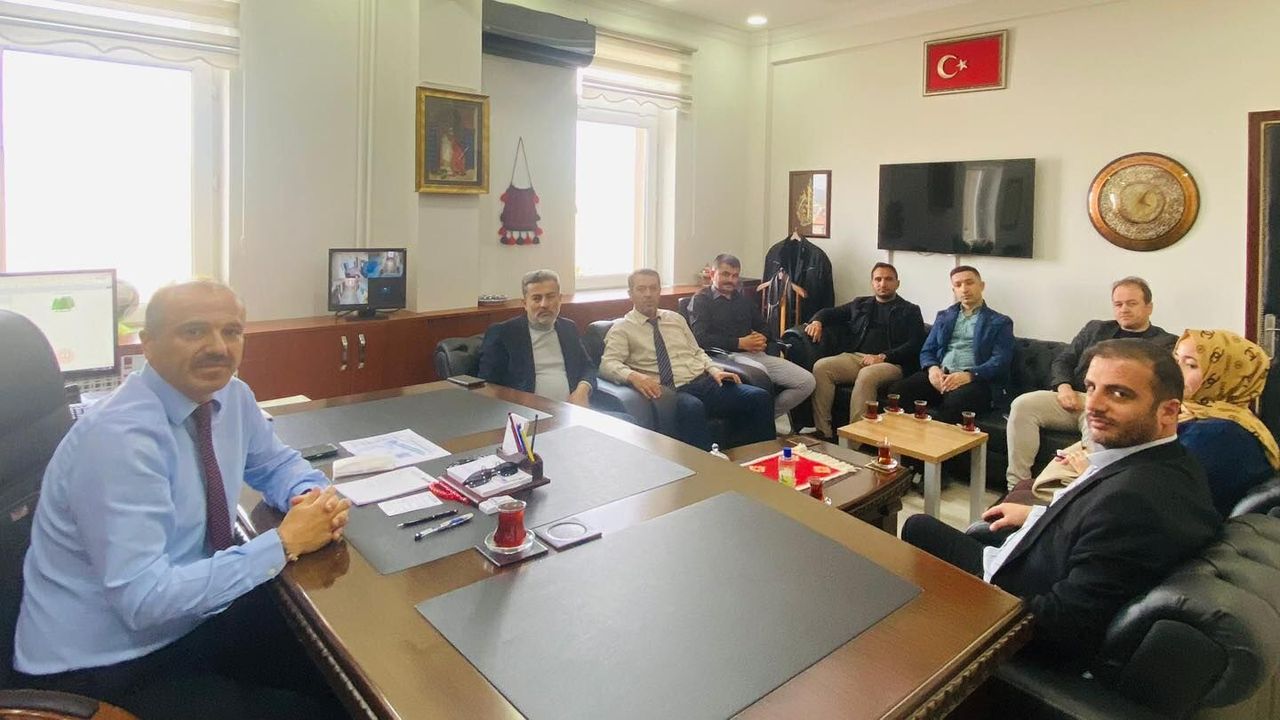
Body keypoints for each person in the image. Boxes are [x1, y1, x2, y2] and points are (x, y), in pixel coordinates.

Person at [13, 280, 350, 720]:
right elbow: (144, 600)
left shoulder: (231, 396)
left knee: (333, 675)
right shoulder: (120, 441)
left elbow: (274, 462)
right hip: (107, 662)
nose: (218, 348)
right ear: (147, 344)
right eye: (194, 331)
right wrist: (284, 542)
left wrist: (309, 497)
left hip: (190, 618)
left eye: (231, 331)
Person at [901, 339, 1220, 664]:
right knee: (920, 527)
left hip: (1009, 597)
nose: (1093, 405)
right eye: (1091, 388)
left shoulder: (1133, 503)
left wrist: (960, 611)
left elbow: (1062, 626)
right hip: (1031, 561)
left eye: (1119, 394)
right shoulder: (1170, 461)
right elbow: (1090, 525)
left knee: (911, 540)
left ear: (1168, 411)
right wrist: (1035, 515)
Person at [1020, 329, 1280, 516]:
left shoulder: (1218, 435)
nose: (1175, 371)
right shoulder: (1201, 415)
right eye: (1176, 360)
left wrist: (1090, 469)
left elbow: (1145, 501)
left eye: (1190, 365)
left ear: (1226, 377)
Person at [1004, 277, 1177, 488]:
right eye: (1118, 304)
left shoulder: (1165, 343)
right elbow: (1063, 360)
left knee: (1094, 417)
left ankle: (1085, 487)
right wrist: (1063, 387)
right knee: (1023, 404)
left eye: (1131, 303)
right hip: (1072, 396)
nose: (1124, 309)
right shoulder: (1095, 329)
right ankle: (1016, 485)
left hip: (1111, 404)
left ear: (1149, 307)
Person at [599, 269, 775, 450]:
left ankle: (762, 458)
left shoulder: (675, 319)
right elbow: (608, 364)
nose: (648, 294)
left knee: (758, 397)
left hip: (703, 382)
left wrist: (715, 370)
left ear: (659, 291)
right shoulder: (622, 328)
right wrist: (634, 376)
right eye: (641, 289)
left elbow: (697, 351)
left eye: (653, 288)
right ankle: (706, 464)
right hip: (671, 391)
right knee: (693, 407)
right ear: (630, 294)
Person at [804, 262, 925, 440]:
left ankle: (856, 439)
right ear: (872, 283)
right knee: (822, 367)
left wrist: (883, 356)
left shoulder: (910, 310)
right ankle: (824, 432)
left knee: (867, 375)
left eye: (888, 279)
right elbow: (829, 312)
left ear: (897, 283)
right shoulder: (860, 304)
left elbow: (915, 343)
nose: (883, 284)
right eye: (878, 279)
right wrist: (817, 321)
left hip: (891, 363)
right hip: (857, 357)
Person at [687, 253, 815, 422]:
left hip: (755, 353)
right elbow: (700, 339)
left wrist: (762, 337)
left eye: (735, 276)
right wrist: (739, 343)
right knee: (760, 372)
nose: (731, 280)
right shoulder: (701, 300)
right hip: (724, 356)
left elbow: (764, 326)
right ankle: (760, 420)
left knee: (807, 382)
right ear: (712, 274)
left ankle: (765, 418)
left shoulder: (742, 300)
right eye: (725, 274)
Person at [888, 265, 1013, 423]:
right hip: (942, 376)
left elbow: (1000, 360)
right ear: (954, 290)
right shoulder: (944, 316)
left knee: (955, 402)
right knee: (898, 391)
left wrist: (969, 375)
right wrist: (932, 369)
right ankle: (906, 438)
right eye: (958, 285)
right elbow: (927, 350)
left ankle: (936, 440)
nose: (964, 289)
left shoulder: (1000, 322)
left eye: (969, 283)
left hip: (976, 381)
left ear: (981, 286)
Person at [478, 269, 597, 408]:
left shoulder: (568, 328)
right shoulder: (504, 333)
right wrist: (522, 402)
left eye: (550, 297)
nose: (544, 304)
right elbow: (487, 385)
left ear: (560, 299)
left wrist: (583, 390)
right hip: (526, 413)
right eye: (536, 298)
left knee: (619, 418)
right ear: (525, 303)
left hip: (573, 410)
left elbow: (587, 367)